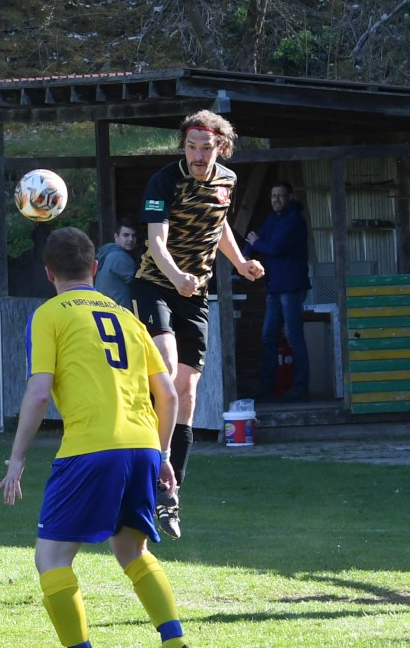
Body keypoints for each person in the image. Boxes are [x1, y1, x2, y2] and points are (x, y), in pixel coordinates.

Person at [0, 227, 197, 648]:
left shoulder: (49, 315)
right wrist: (163, 452)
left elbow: (39, 390)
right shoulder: (127, 318)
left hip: (92, 448)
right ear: (93, 269)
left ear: (49, 274)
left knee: (51, 558)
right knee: (132, 551)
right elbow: (166, 392)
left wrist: (16, 459)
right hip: (143, 444)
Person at [127, 110, 266, 539]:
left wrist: (241, 262)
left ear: (219, 148)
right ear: (183, 147)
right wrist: (177, 278)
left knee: (188, 389)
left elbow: (219, 225)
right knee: (166, 368)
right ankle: (144, 456)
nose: (199, 155)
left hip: (196, 293)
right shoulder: (164, 181)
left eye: (207, 148)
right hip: (156, 285)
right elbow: (155, 240)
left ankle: (170, 491)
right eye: (192, 147)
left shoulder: (227, 181)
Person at [244, 180, 311, 400]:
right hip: (274, 287)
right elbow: (254, 241)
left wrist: (256, 243)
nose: (276, 200)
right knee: (268, 336)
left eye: (281, 196)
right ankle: (267, 386)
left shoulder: (295, 220)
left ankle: (300, 387)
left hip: (291, 287)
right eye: (273, 196)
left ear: (290, 197)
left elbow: (276, 248)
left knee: (293, 336)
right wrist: (244, 256)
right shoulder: (273, 218)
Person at [95, 223, 139, 308]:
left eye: (133, 236)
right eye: (126, 235)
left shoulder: (107, 253)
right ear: (116, 237)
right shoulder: (120, 257)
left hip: (106, 310)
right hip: (120, 313)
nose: (130, 239)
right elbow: (140, 285)